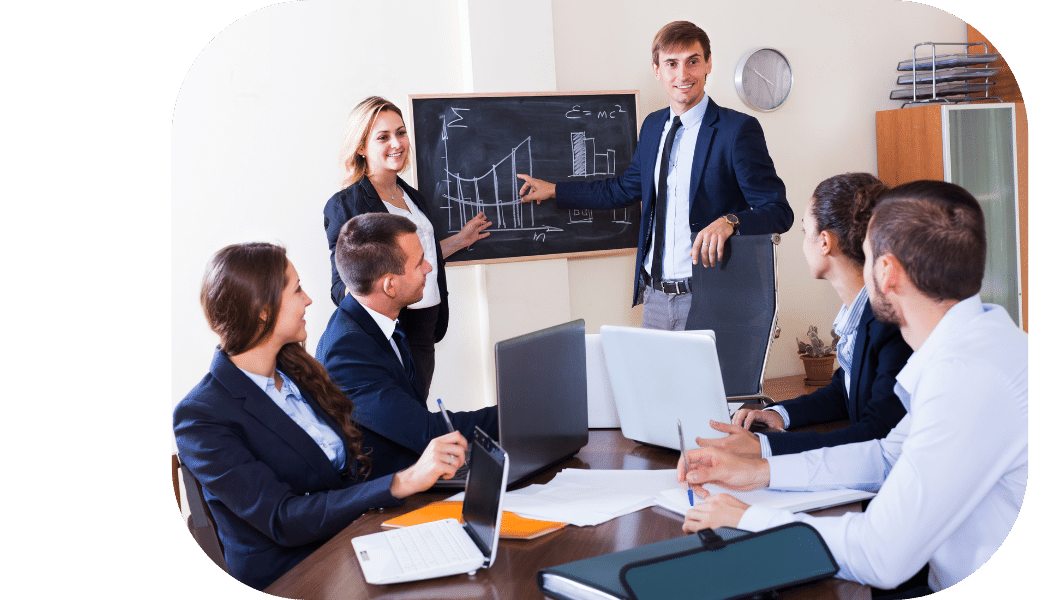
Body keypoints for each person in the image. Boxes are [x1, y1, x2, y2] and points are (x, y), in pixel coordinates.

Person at [679, 180, 1029, 597]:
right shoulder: (979, 344)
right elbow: (884, 457)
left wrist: (747, 518)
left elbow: (879, 556)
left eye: (866, 257)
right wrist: (759, 472)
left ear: (886, 272)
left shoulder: (967, 379)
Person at [173, 243, 468, 591]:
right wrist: (401, 482)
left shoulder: (297, 371)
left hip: (355, 542)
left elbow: (347, 473)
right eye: (296, 289)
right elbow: (282, 518)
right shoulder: (201, 417)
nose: (309, 299)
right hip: (296, 576)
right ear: (262, 310)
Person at [516, 21, 793, 330]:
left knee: (705, 381)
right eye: (671, 64)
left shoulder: (736, 130)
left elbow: (779, 212)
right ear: (657, 69)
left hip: (711, 296)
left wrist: (732, 221)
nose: (683, 75)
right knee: (655, 380)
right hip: (655, 298)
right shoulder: (652, 126)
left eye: (693, 61)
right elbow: (622, 189)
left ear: (708, 64)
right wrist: (555, 190)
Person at [695, 173, 910, 458]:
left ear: (824, 242)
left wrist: (766, 447)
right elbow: (844, 392)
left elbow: (876, 433)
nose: (803, 243)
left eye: (804, 231)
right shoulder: (860, 313)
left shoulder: (890, 323)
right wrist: (780, 413)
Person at [324, 96, 493, 397]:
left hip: (425, 327)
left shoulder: (414, 197)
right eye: (383, 137)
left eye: (401, 132)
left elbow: (419, 256)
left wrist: (461, 240)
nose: (397, 143)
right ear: (361, 147)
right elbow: (340, 288)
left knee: (417, 410)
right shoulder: (346, 205)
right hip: (393, 330)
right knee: (403, 420)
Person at [316, 213, 498, 477]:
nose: (428, 268)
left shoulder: (381, 318)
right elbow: (428, 434)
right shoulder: (347, 351)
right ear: (390, 285)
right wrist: (515, 412)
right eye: (419, 263)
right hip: (387, 495)